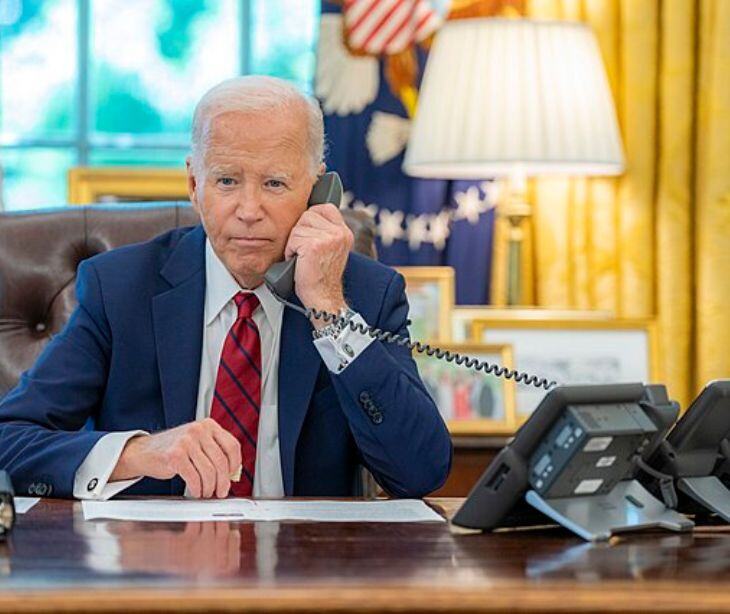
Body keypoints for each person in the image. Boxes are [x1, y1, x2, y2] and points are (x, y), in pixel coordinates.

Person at [0, 76, 452, 500]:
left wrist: (329, 312)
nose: (249, 209)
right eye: (227, 181)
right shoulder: (120, 289)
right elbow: (9, 440)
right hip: (154, 567)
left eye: (275, 183)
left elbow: (420, 471)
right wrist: (139, 453)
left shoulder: (365, 293)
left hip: (307, 569)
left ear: (318, 191)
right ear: (195, 185)